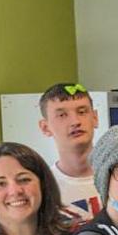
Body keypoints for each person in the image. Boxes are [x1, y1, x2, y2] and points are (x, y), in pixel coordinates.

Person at [38, 81, 102, 220]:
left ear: (95, 118)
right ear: (45, 127)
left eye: (82, 112)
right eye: (62, 115)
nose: (75, 121)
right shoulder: (42, 188)